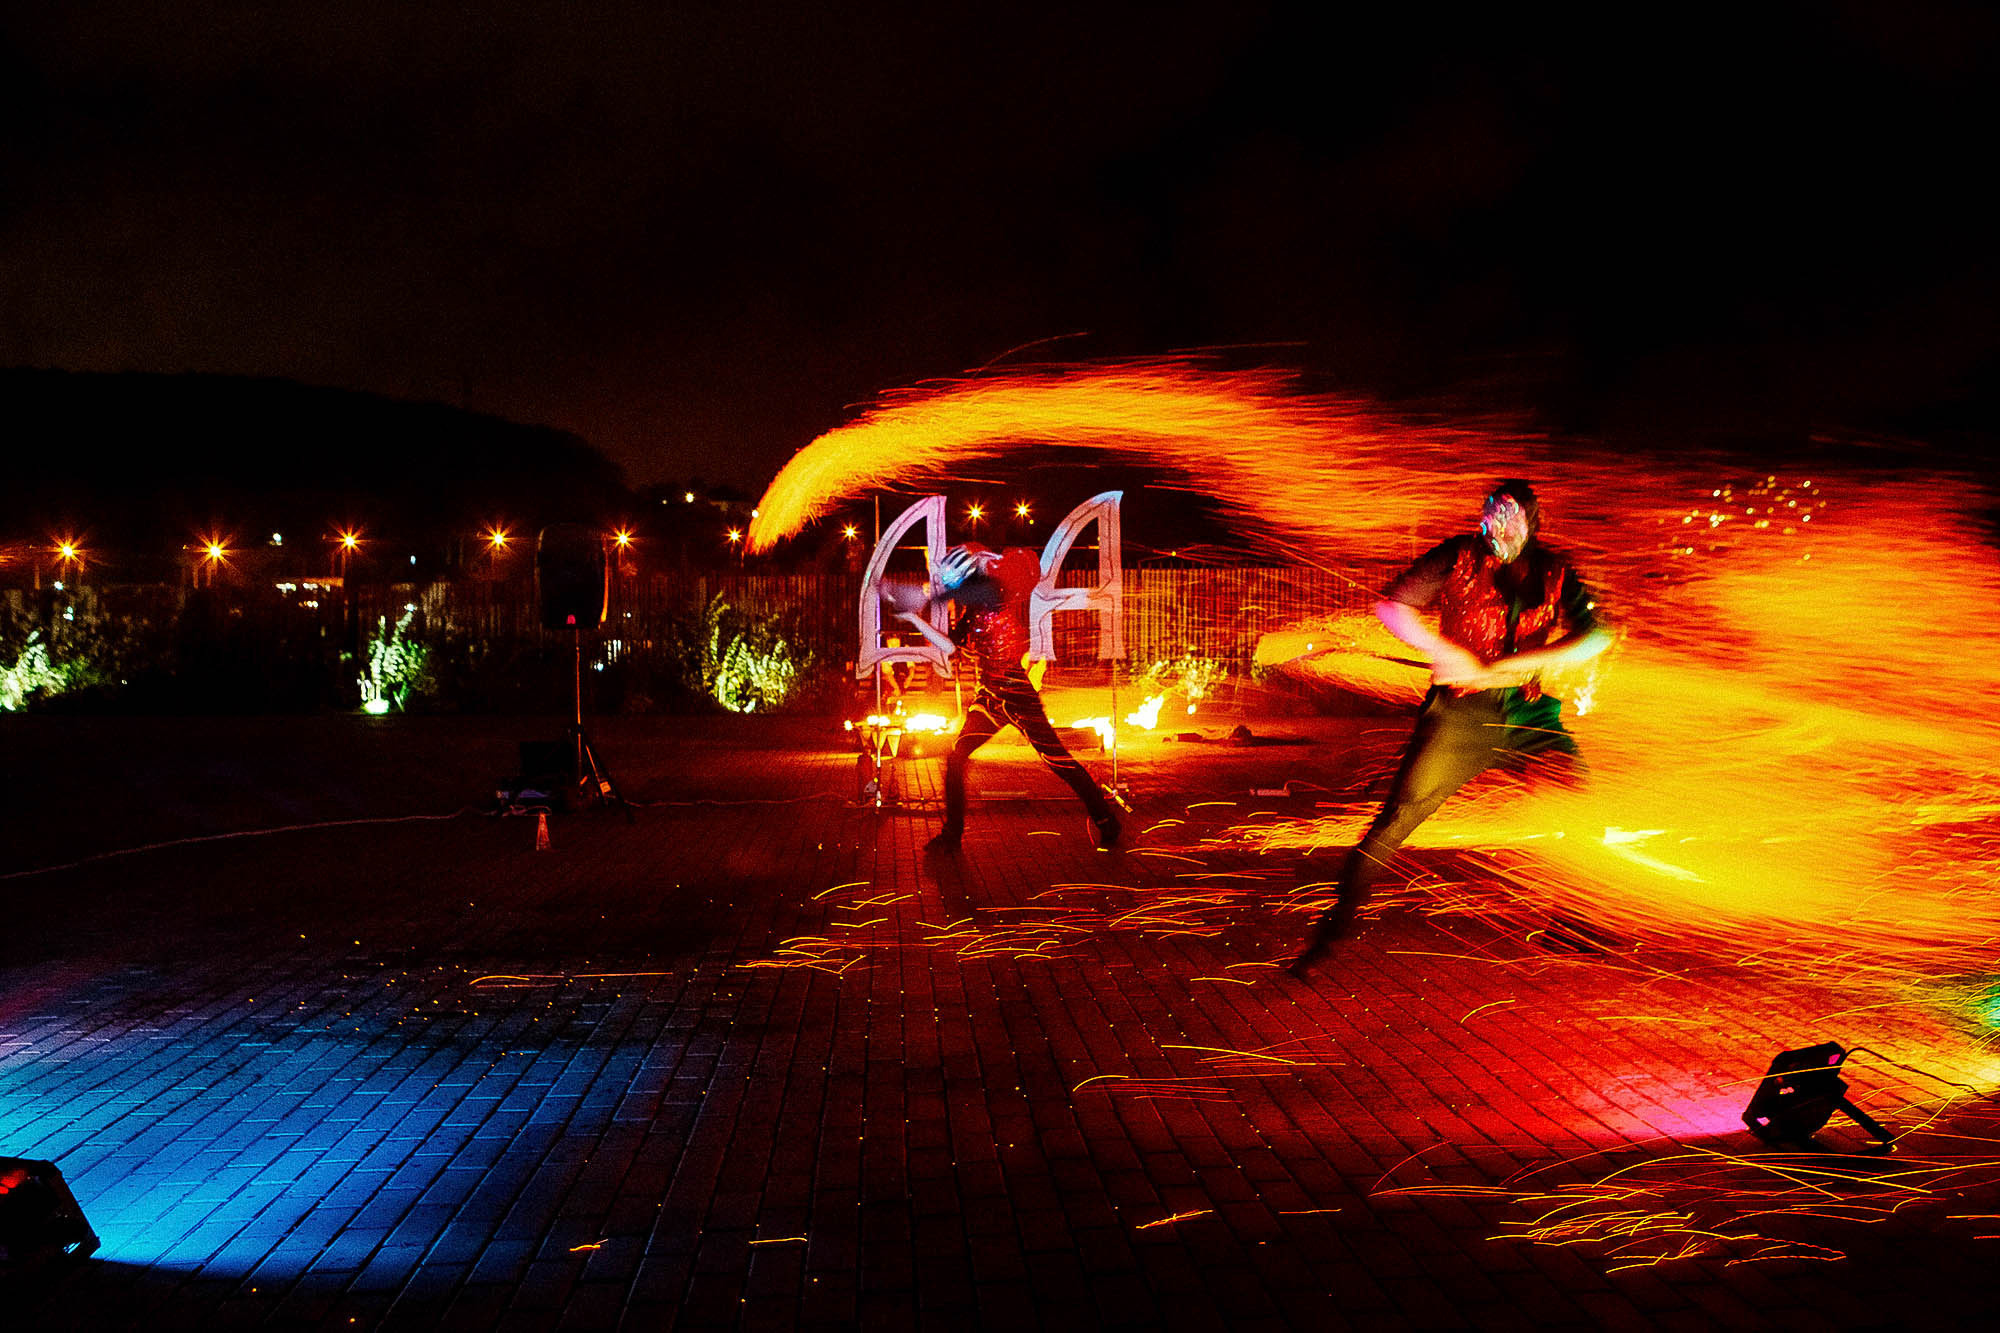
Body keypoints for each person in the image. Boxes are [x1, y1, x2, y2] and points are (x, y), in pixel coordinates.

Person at [1292, 480, 1613, 972]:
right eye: (1490, 511)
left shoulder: (1555, 570)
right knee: (1394, 823)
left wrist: (1528, 661)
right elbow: (1391, 606)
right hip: (1460, 714)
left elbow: (1598, 636)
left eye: (1508, 513)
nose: (1496, 523)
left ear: (1531, 521)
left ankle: (1571, 924)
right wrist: (1445, 652)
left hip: (1528, 710)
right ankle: (1330, 935)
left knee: (1583, 806)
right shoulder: (1457, 556)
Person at [883, 543, 1121, 851]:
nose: (948, 586)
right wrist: (915, 619)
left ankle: (1106, 820)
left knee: (1059, 761)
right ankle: (952, 835)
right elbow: (949, 647)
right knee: (955, 759)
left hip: (1018, 695)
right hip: (990, 697)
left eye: (950, 581)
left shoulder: (991, 593)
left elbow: (966, 594)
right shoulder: (971, 611)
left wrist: (925, 597)